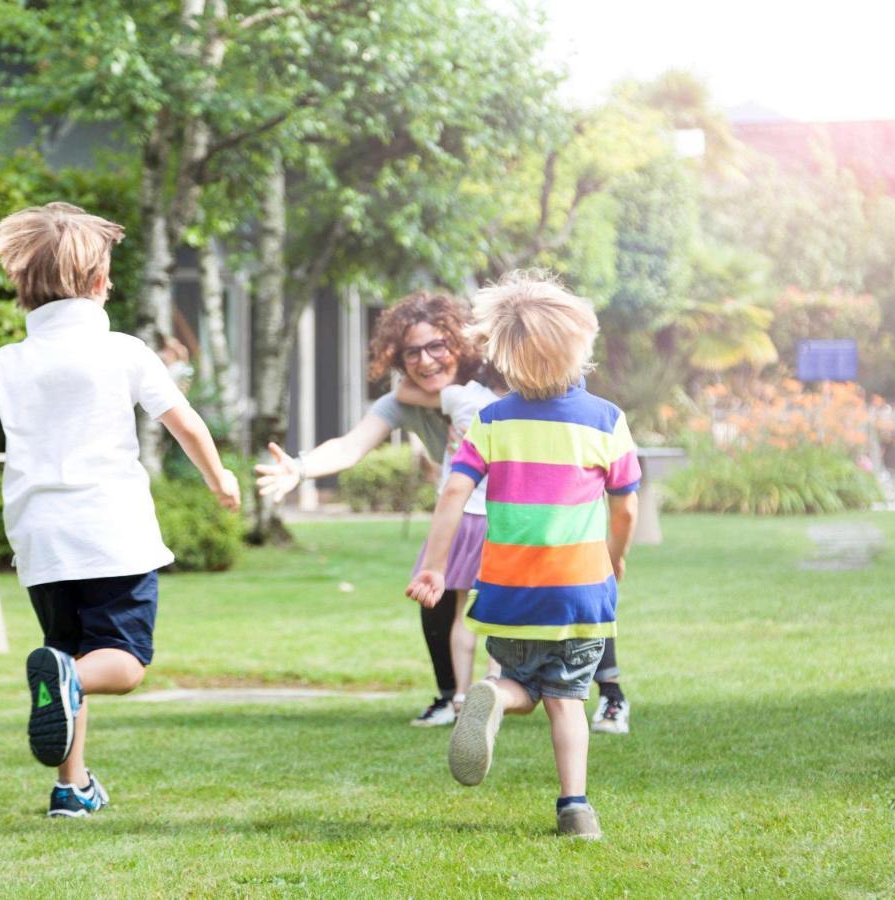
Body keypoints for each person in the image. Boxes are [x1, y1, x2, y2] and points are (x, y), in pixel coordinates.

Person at [0, 202, 240, 818]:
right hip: (112, 534)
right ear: (99, 285)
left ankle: (72, 788)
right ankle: (68, 694)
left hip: (41, 541)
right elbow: (186, 424)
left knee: (67, 657)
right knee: (120, 664)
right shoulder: (124, 351)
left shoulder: (4, 363)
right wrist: (218, 476)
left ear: (23, 289)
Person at [406, 271, 639, 839]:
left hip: (508, 588)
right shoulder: (606, 420)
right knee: (566, 698)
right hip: (579, 589)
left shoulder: (490, 420)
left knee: (522, 683)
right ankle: (575, 808)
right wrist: (615, 556)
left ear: (503, 355)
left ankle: (494, 694)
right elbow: (625, 507)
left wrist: (435, 566)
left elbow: (454, 494)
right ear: (579, 343)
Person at [255, 292, 496, 726]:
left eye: (435, 346)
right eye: (411, 352)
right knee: (433, 595)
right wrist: (301, 467)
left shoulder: (489, 385)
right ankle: (451, 698)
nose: (425, 361)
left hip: (518, 504)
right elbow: (351, 445)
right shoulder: (402, 400)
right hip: (463, 509)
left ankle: (608, 690)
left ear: (458, 344)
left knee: (555, 587)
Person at [395, 363, 509, 710]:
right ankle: (493, 684)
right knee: (496, 610)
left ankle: (460, 695)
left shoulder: (461, 397)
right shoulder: (519, 408)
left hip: (458, 516)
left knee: (462, 610)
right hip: (498, 517)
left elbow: (402, 392)